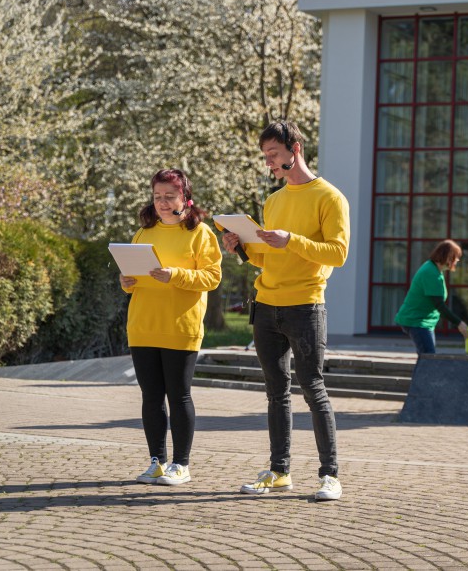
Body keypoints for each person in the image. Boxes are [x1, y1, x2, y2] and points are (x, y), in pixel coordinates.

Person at [222, 121, 350, 502]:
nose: (269, 162)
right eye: (265, 156)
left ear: (295, 149)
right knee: (275, 392)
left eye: (273, 154)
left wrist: (291, 239)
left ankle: (330, 475)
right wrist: (242, 247)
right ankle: (279, 472)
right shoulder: (274, 201)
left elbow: (338, 253)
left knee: (313, 388)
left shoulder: (330, 197)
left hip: (306, 306)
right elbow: (270, 255)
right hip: (266, 306)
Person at [119, 169, 222, 486]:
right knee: (151, 397)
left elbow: (212, 278)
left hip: (181, 326)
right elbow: (131, 280)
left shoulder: (201, 233)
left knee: (179, 396)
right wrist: (126, 281)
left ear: (185, 197)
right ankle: (157, 462)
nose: (162, 203)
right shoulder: (143, 232)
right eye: (157, 196)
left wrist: (175, 275)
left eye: (169, 196)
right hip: (143, 325)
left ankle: (181, 465)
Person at [394, 240, 468, 354]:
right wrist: (459, 323)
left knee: (428, 358)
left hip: (424, 322)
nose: (457, 260)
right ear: (448, 257)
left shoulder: (435, 269)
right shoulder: (431, 273)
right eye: (456, 257)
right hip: (416, 321)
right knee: (428, 357)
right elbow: (440, 306)